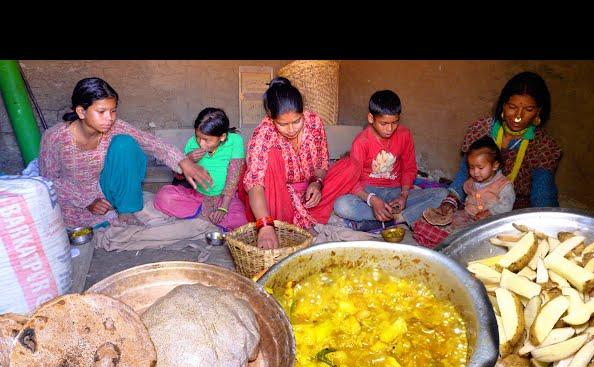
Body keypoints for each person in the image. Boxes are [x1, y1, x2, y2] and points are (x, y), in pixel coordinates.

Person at [38, 77, 212, 228]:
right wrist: (87, 202)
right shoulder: (55, 137)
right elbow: (49, 180)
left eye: (113, 110)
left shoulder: (114, 127)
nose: (110, 118)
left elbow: (150, 142)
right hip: (75, 199)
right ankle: (109, 214)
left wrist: (184, 162)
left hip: (106, 189)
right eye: (101, 112)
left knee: (125, 144)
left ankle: (126, 210)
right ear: (81, 111)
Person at [239, 77, 360, 249]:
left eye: (297, 121)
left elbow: (321, 163)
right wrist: (265, 226)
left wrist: (317, 183)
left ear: (303, 112)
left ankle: (303, 217)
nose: (291, 129)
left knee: (350, 165)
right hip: (278, 195)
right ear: (271, 118)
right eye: (283, 124)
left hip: (308, 194)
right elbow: (255, 184)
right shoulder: (263, 133)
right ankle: (278, 222)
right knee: (272, 157)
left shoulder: (314, 122)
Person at [430, 71, 562, 222]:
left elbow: (542, 195)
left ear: (539, 111)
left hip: (512, 211)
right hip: (475, 203)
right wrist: (451, 201)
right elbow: (464, 174)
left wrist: (545, 221)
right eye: (512, 107)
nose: (518, 116)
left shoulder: (542, 146)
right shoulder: (482, 129)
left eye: (528, 110)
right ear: (503, 105)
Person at [332, 89, 448, 231]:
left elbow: (409, 168)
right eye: (384, 123)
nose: (390, 129)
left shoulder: (404, 135)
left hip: (395, 191)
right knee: (341, 205)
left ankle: (397, 218)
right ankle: (395, 217)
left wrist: (403, 196)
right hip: (369, 190)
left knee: (442, 194)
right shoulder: (361, 142)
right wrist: (373, 200)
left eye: (395, 123)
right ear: (371, 118)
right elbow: (353, 181)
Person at [153, 107, 247, 230]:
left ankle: (201, 217)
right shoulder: (192, 143)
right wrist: (188, 159)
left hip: (226, 198)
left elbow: (234, 175)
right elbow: (178, 176)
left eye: (207, 140)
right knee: (163, 196)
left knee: (240, 220)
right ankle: (206, 217)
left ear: (222, 137)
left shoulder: (235, 141)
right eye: (198, 137)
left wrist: (223, 207)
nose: (201, 143)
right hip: (197, 196)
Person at [415, 136, 515, 247]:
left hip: (488, 223)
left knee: (471, 239)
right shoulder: (470, 182)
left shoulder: (504, 185)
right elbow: (461, 194)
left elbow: (506, 205)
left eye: (480, 168)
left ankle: (452, 242)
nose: (475, 172)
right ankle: (446, 240)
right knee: (425, 224)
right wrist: (450, 205)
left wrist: (489, 212)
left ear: (495, 166)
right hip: (466, 217)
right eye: (472, 168)